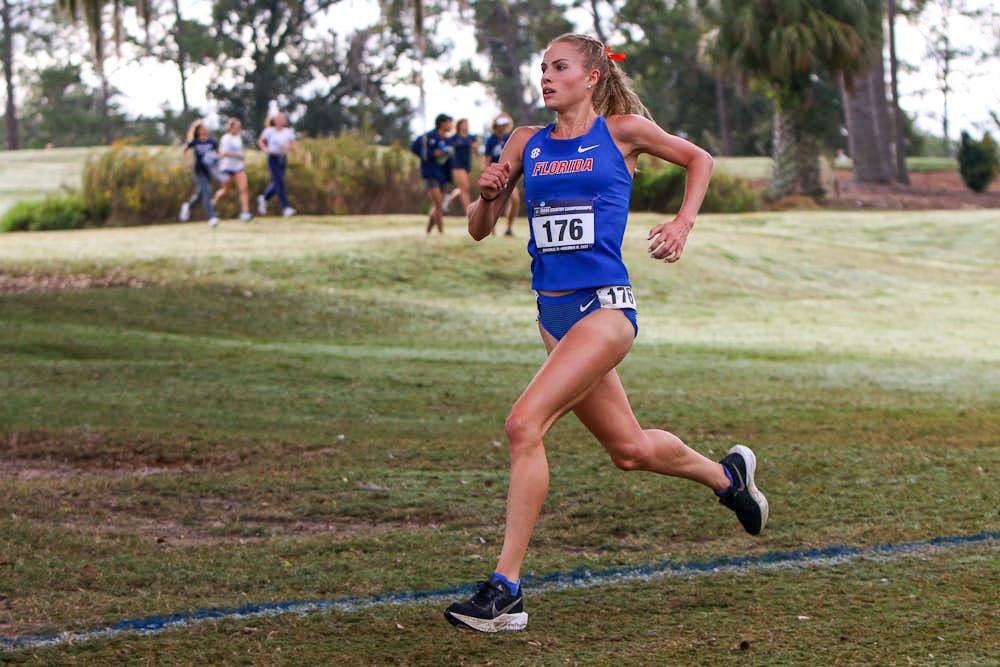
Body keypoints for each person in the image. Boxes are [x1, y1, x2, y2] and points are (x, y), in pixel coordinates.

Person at [443, 33, 769, 634]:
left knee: (523, 425)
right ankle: (728, 479)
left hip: (606, 310)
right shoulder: (525, 143)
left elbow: (701, 159)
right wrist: (488, 197)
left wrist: (682, 222)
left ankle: (505, 590)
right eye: (542, 68)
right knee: (629, 450)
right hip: (554, 317)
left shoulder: (622, 132)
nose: (546, 77)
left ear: (591, 77)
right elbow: (478, 229)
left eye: (559, 67)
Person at [410, 113, 454, 234]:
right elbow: (414, 147)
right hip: (430, 173)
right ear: (442, 123)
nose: (451, 125)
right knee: (439, 204)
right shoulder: (428, 137)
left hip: (444, 175)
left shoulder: (448, 140)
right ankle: (441, 232)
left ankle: (428, 231)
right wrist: (431, 154)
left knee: (437, 205)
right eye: (449, 122)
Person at [179, 119, 220, 228]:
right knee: (207, 193)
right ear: (198, 131)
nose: (204, 130)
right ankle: (212, 217)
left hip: (208, 170)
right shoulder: (195, 141)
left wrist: (216, 160)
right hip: (199, 171)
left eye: (205, 128)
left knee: (200, 195)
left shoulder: (212, 141)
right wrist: (187, 162)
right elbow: (184, 149)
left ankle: (187, 206)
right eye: (201, 129)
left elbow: (218, 154)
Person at [483, 114, 519, 236]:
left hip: (508, 175)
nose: (504, 127)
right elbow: (486, 160)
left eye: (505, 124)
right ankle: (490, 230)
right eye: (501, 125)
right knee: (492, 203)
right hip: (495, 175)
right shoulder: (490, 140)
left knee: (515, 200)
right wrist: (488, 176)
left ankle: (508, 228)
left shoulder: (509, 138)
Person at [212, 118, 253, 222]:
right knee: (226, 191)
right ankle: (212, 204)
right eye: (237, 127)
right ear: (231, 128)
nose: (239, 129)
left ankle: (245, 213)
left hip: (238, 168)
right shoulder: (226, 138)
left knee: (244, 189)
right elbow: (223, 153)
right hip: (226, 168)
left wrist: (240, 156)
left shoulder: (238, 138)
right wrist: (237, 155)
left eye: (239, 127)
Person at [256, 112, 297, 217]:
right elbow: (261, 141)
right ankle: (285, 207)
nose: (280, 120)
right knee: (279, 182)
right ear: (275, 120)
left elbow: (293, 145)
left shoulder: (288, 132)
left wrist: (287, 146)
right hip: (273, 158)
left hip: (282, 158)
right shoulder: (269, 131)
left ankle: (264, 198)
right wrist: (265, 149)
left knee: (278, 182)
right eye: (278, 118)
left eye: (282, 118)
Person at [442, 118, 478, 214]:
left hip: (467, 166)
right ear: (459, 125)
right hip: (456, 165)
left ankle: (448, 199)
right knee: (465, 189)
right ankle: (470, 212)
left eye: (467, 123)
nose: (466, 125)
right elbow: (445, 149)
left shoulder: (471, 137)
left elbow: (476, 151)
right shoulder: (453, 137)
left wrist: (475, 148)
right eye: (464, 124)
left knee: (464, 188)